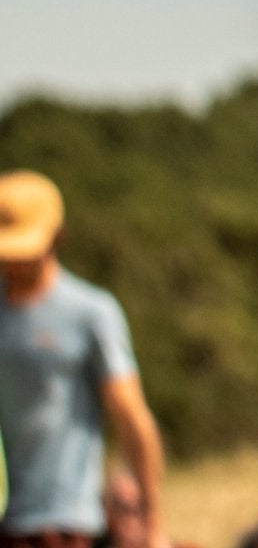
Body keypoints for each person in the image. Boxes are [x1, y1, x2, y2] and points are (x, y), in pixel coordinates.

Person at [0, 171, 171, 548]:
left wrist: (152, 524)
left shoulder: (91, 313)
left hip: (63, 525)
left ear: (56, 237)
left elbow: (131, 419)